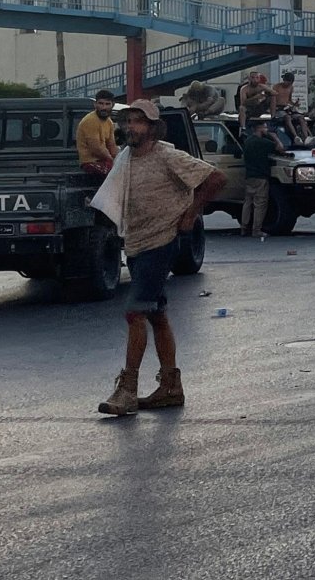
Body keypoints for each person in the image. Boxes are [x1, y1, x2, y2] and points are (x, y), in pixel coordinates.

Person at [96, 99, 225, 417]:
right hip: (136, 244)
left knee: (135, 312)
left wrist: (191, 214)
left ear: (153, 127)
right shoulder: (125, 157)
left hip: (162, 242)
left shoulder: (167, 155)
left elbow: (215, 178)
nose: (131, 127)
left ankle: (127, 390)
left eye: (139, 122)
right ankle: (170, 386)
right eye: (128, 121)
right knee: (157, 315)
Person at [239, 118, 284, 239]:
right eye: (265, 127)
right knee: (260, 204)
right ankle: (256, 230)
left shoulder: (248, 141)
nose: (266, 130)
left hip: (249, 176)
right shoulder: (263, 143)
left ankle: (244, 228)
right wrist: (274, 136)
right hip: (261, 177)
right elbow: (280, 148)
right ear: (259, 129)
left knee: (248, 202)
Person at [76, 89, 121, 177]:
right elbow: (96, 148)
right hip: (90, 162)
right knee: (116, 174)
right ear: (95, 104)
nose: (104, 107)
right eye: (101, 103)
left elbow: (111, 145)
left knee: (123, 169)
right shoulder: (90, 120)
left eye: (107, 104)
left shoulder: (109, 122)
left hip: (104, 161)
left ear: (113, 105)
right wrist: (113, 160)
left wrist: (119, 159)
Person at [270, 71, 310, 144]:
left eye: (290, 83)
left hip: (287, 108)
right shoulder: (276, 87)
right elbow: (273, 102)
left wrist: (295, 104)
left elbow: (289, 100)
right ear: (284, 80)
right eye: (287, 82)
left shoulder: (291, 88)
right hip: (278, 109)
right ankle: (295, 137)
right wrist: (272, 115)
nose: (288, 84)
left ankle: (306, 138)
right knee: (287, 117)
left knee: (301, 117)